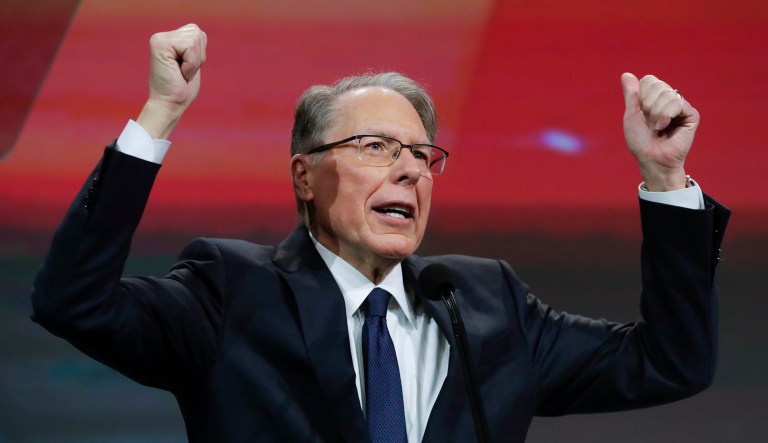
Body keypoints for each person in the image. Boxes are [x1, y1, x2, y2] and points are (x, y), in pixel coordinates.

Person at [31, 24, 730, 443]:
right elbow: (72, 300)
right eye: (375, 146)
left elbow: (672, 360)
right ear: (304, 176)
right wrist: (160, 114)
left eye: (423, 156)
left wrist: (664, 175)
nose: (409, 171)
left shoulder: (486, 302)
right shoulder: (229, 291)